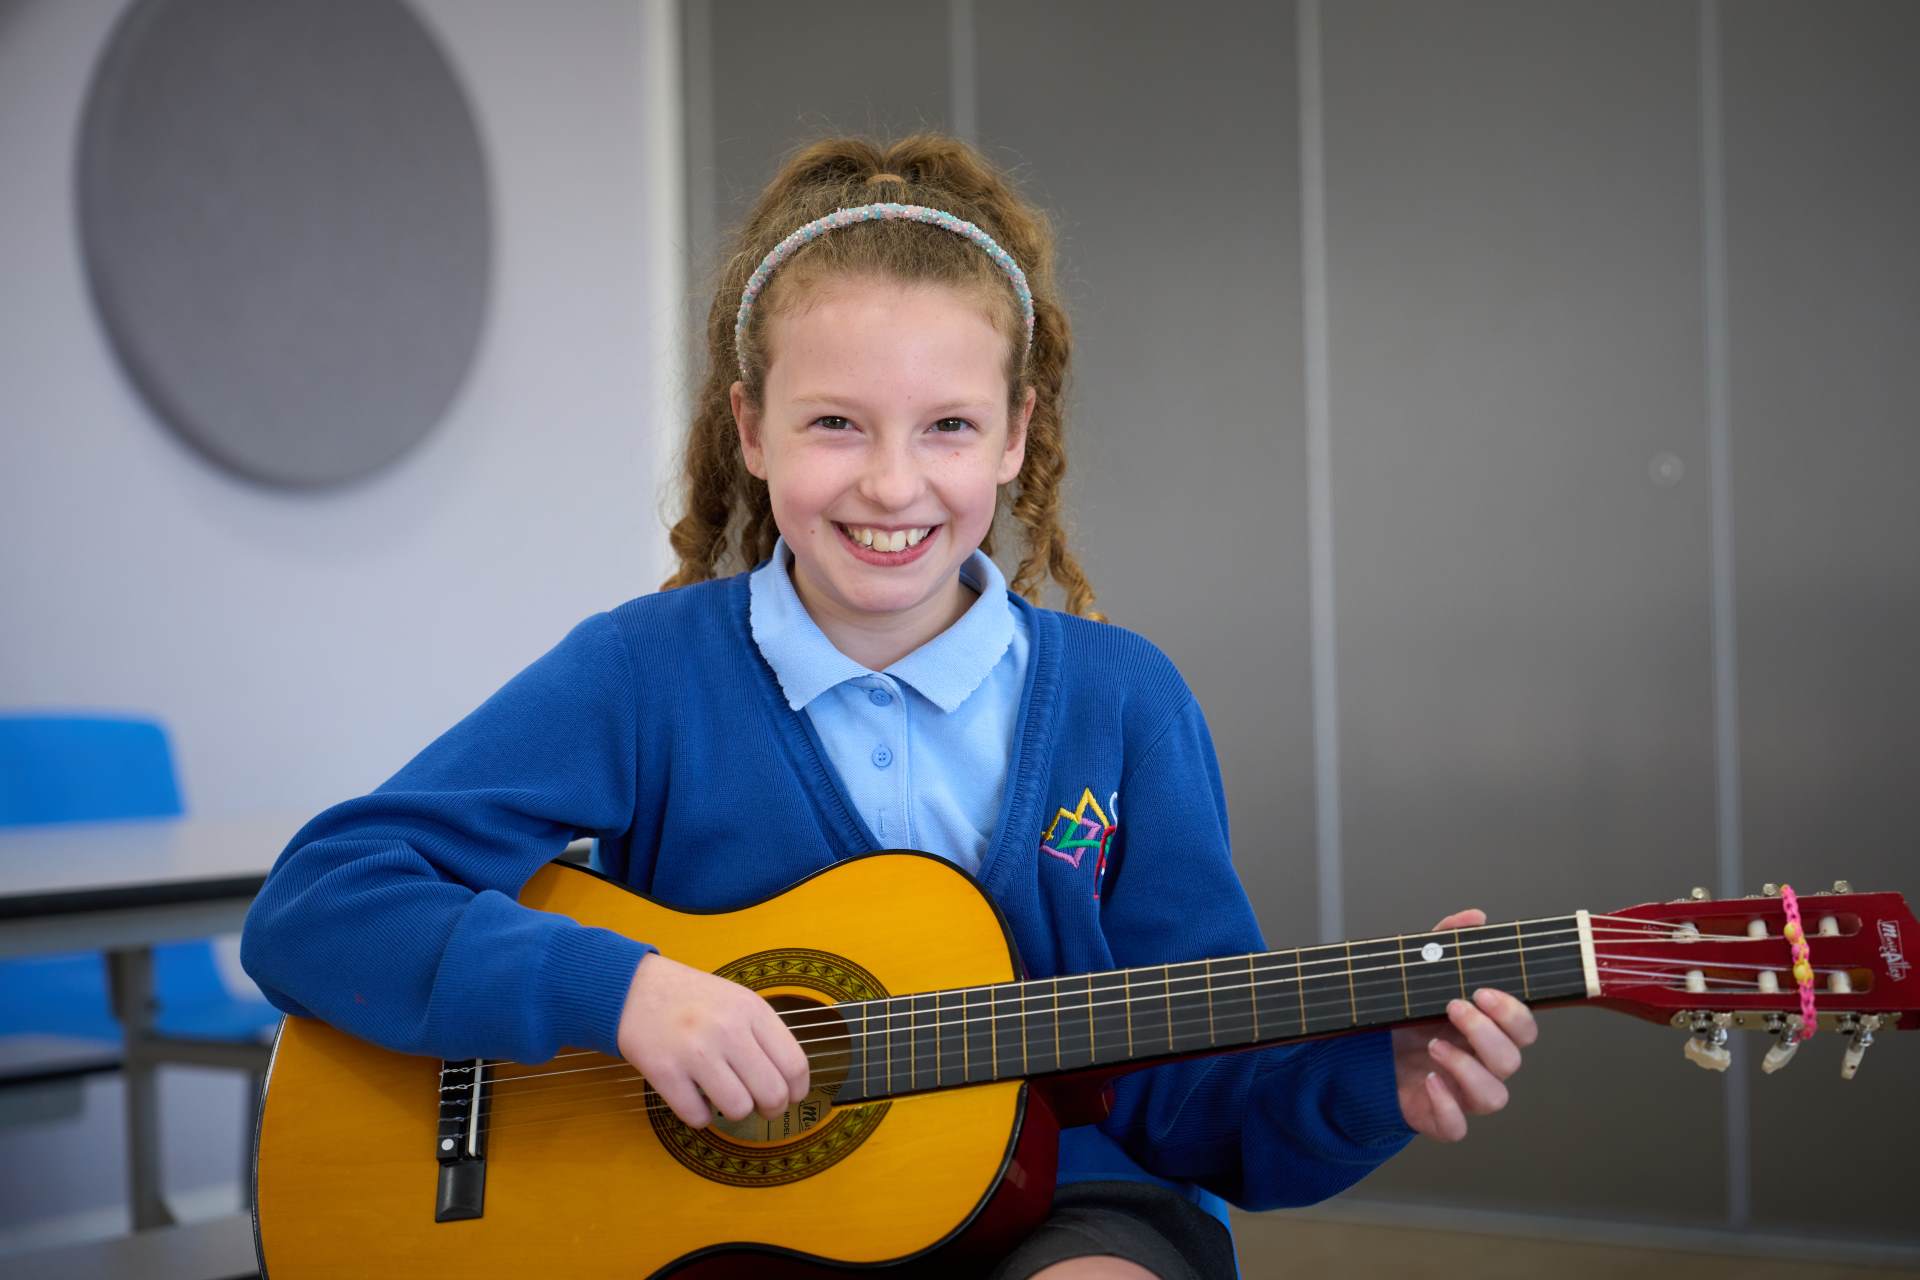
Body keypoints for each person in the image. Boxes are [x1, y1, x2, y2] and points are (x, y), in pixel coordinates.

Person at [240, 132, 1537, 1280]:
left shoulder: (1124, 701)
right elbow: (321, 901)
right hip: (728, 1233)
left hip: (1061, 1204)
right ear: (751, 429)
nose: (893, 484)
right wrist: (622, 991)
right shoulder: (643, 674)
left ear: (1017, 434)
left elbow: (1199, 1105)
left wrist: (1372, 1078)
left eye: (949, 427)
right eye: (836, 424)